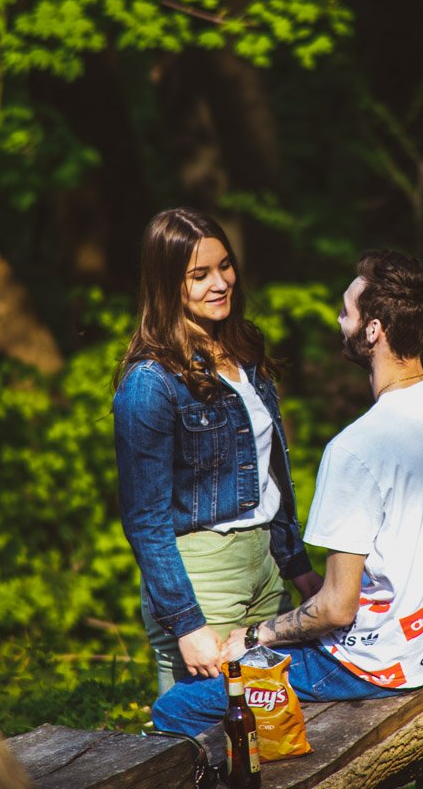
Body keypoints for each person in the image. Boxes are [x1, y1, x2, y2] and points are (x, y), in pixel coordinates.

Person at [152, 249, 423, 737]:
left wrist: (252, 636)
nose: (340, 322)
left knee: (176, 707)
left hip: (382, 662)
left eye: (346, 311)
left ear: (374, 330)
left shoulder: (356, 448)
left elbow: (337, 608)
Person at [113, 208, 322, 695]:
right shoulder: (150, 383)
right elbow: (145, 519)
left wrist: (296, 566)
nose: (220, 283)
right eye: (199, 275)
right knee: (199, 739)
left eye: (224, 266)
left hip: (265, 568)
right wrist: (186, 623)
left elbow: (273, 472)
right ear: (168, 285)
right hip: (203, 576)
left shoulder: (246, 351)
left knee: (268, 726)